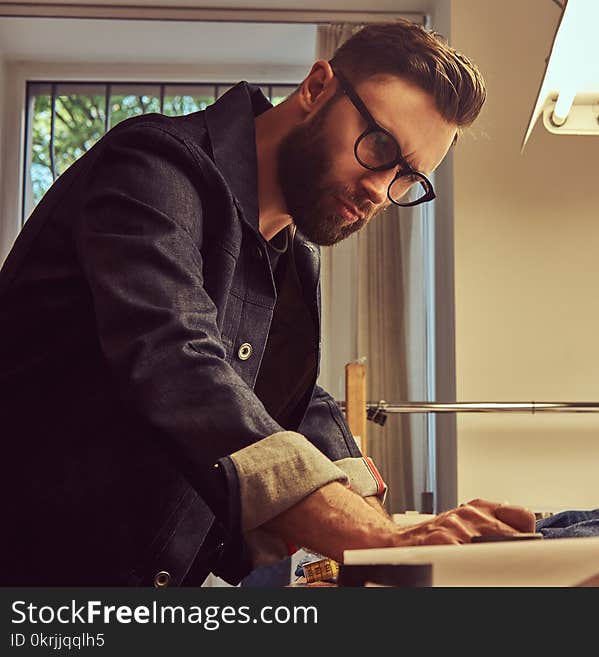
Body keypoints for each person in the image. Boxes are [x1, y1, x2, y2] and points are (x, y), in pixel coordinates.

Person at [0, 21, 534, 586]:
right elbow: (176, 359)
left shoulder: (292, 258)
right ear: (316, 87)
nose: (381, 190)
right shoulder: (151, 166)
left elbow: (297, 401)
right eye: (379, 146)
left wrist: (379, 528)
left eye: (407, 177)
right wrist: (375, 539)